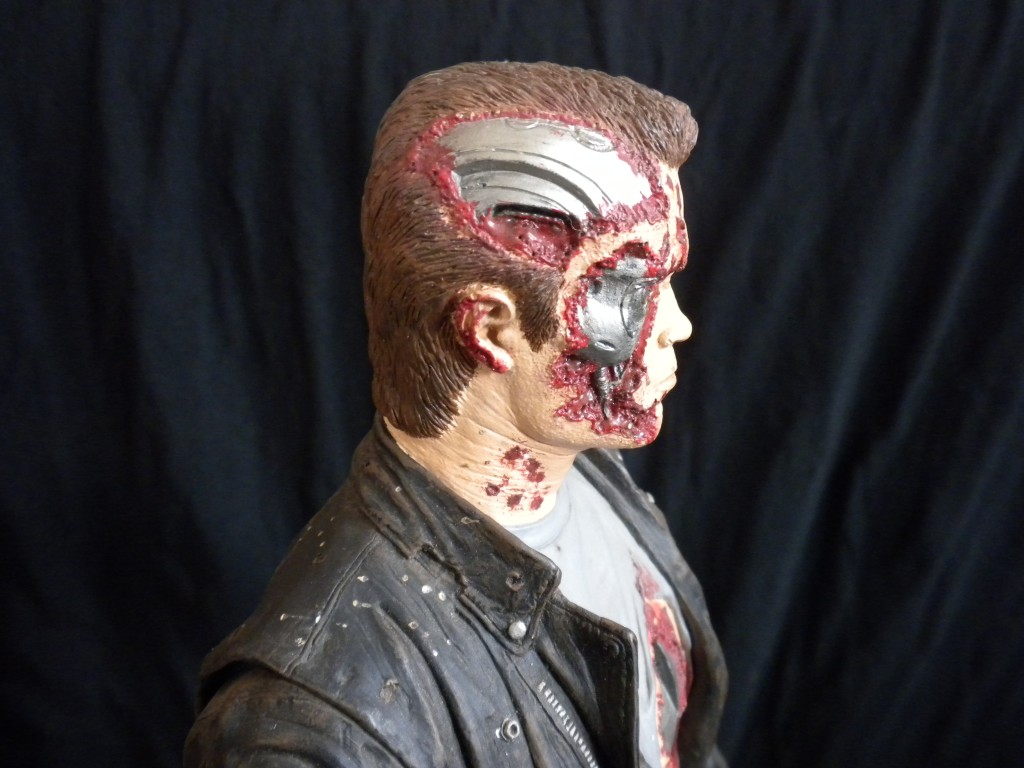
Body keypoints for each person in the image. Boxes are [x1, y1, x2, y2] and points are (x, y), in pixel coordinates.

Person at [186, 61, 727, 768]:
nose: (678, 325)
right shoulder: (314, 726)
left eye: (668, 280)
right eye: (632, 289)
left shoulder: (593, 478)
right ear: (490, 329)